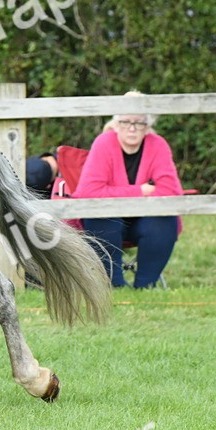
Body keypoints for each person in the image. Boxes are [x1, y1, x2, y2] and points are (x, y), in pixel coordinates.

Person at [74, 98, 184, 288]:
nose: (132, 128)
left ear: (147, 126)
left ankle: (146, 286)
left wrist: (114, 192)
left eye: (139, 122)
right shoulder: (103, 143)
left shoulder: (157, 145)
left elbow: (171, 192)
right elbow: (88, 192)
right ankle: (115, 285)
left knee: (164, 221)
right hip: (107, 218)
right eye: (126, 122)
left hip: (144, 218)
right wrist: (140, 190)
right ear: (116, 124)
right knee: (101, 218)